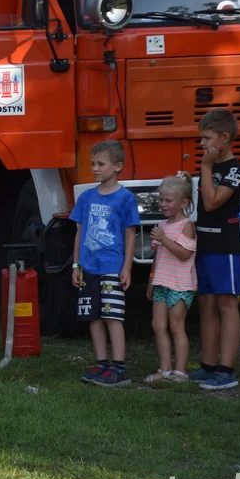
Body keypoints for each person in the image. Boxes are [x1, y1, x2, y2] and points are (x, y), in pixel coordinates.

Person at [70, 140, 139, 387]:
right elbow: (79, 231)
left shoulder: (125, 199)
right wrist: (76, 265)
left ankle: (119, 367)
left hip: (112, 267)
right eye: (92, 164)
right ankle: (101, 363)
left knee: (113, 316)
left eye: (101, 164)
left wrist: (127, 267)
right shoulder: (87, 197)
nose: (95, 168)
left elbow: (130, 234)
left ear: (118, 166)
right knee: (94, 316)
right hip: (89, 267)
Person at [191, 108, 240, 390]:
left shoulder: (234, 170)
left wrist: (206, 167)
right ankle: (208, 365)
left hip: (225, 246)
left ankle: (227, 370)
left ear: (224, 138)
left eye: (207, 139)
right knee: (207, 306)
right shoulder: (211, 167)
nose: (203, 145)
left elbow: (212, 203)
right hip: (204, 243)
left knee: (227, 305)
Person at [144, 173, 196, 383]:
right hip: (161, 283)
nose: (163, 204)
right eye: (160, 199)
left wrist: (164, 239)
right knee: (158, 325)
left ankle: (181, 371)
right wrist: (151, 280)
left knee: (176, 326)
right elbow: (157, 256)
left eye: (168, 200)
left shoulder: (186, 225)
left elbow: (184, 254)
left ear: (183, 202)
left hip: (180, 284)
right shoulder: (162, 225)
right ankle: (164, 369)